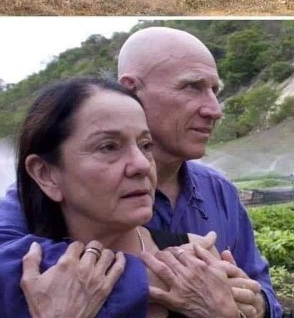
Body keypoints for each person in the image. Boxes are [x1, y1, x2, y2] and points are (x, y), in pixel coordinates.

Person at [0, 27, 281, 318]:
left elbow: (259, 289)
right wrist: (159, 276)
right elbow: (10, 265)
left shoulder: (220, 192)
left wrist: (253, 305)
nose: (214, 109)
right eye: (192, 87)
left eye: (215, 90)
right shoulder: (33, 200)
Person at [16, 75, 241, 318]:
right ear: (45, 174)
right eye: (109, 147)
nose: (142, 165)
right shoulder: (25, 279)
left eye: (146, 146)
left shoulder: (198, 258)